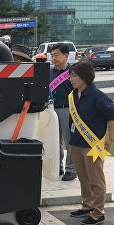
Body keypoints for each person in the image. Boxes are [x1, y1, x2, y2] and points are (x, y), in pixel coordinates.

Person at [68, 62, 114, 225]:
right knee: (83, 178)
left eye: (74, 75)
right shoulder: (73, 95)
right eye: (70, 75)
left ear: (85, 76)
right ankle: (87, 205)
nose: (71, 79)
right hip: (75, 143)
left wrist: (111, 138)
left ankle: (98, 212)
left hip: (92, 145)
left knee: (96, 179)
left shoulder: (97, 95)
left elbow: (112, 117)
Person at [49, 43, 76, 181]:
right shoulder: (50, 73)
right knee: (54, 141)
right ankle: (57, 166)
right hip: (51, 110)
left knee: (69, 141)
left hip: (68, 110)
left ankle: (71, 169)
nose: (53, 58)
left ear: (66, 56)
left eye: (56, 55)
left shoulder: (73, 72)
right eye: (52, 55)